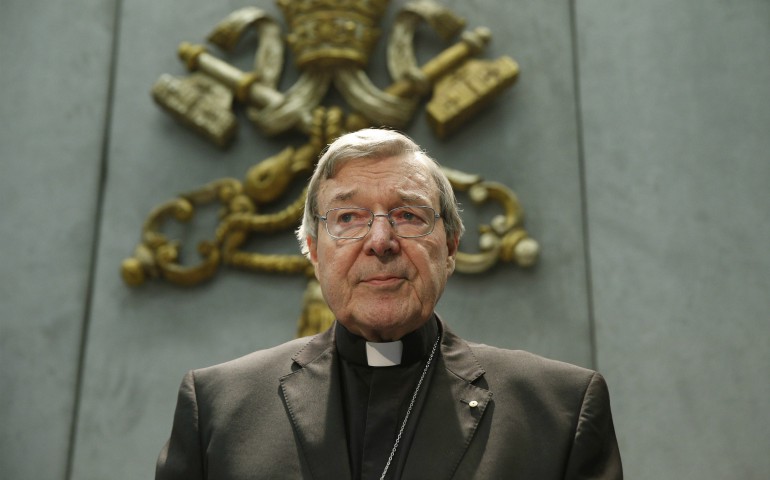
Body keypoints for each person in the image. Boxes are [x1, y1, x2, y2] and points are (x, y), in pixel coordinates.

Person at [155, 128, 623, 479]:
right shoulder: (220, 409)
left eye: (408, 215)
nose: (381, 241)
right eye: (349, 217)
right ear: (315, 252)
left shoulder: (557, 412)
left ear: (452, 246)